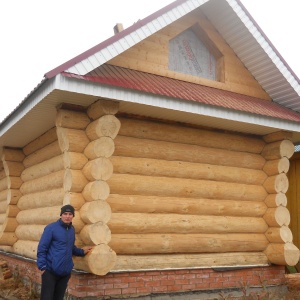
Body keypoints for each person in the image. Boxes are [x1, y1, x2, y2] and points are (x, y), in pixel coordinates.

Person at [37, 204, 92, 300]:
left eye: (70, 214)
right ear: (61, 215)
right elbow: (42, 248)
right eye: (65, 214)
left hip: (65, 273)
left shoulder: (71, 230)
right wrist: (42, 267)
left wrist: (82, 252)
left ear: (73, 216)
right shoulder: (51, 228)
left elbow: (71, 247)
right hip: (50, 271)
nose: (67, 216)